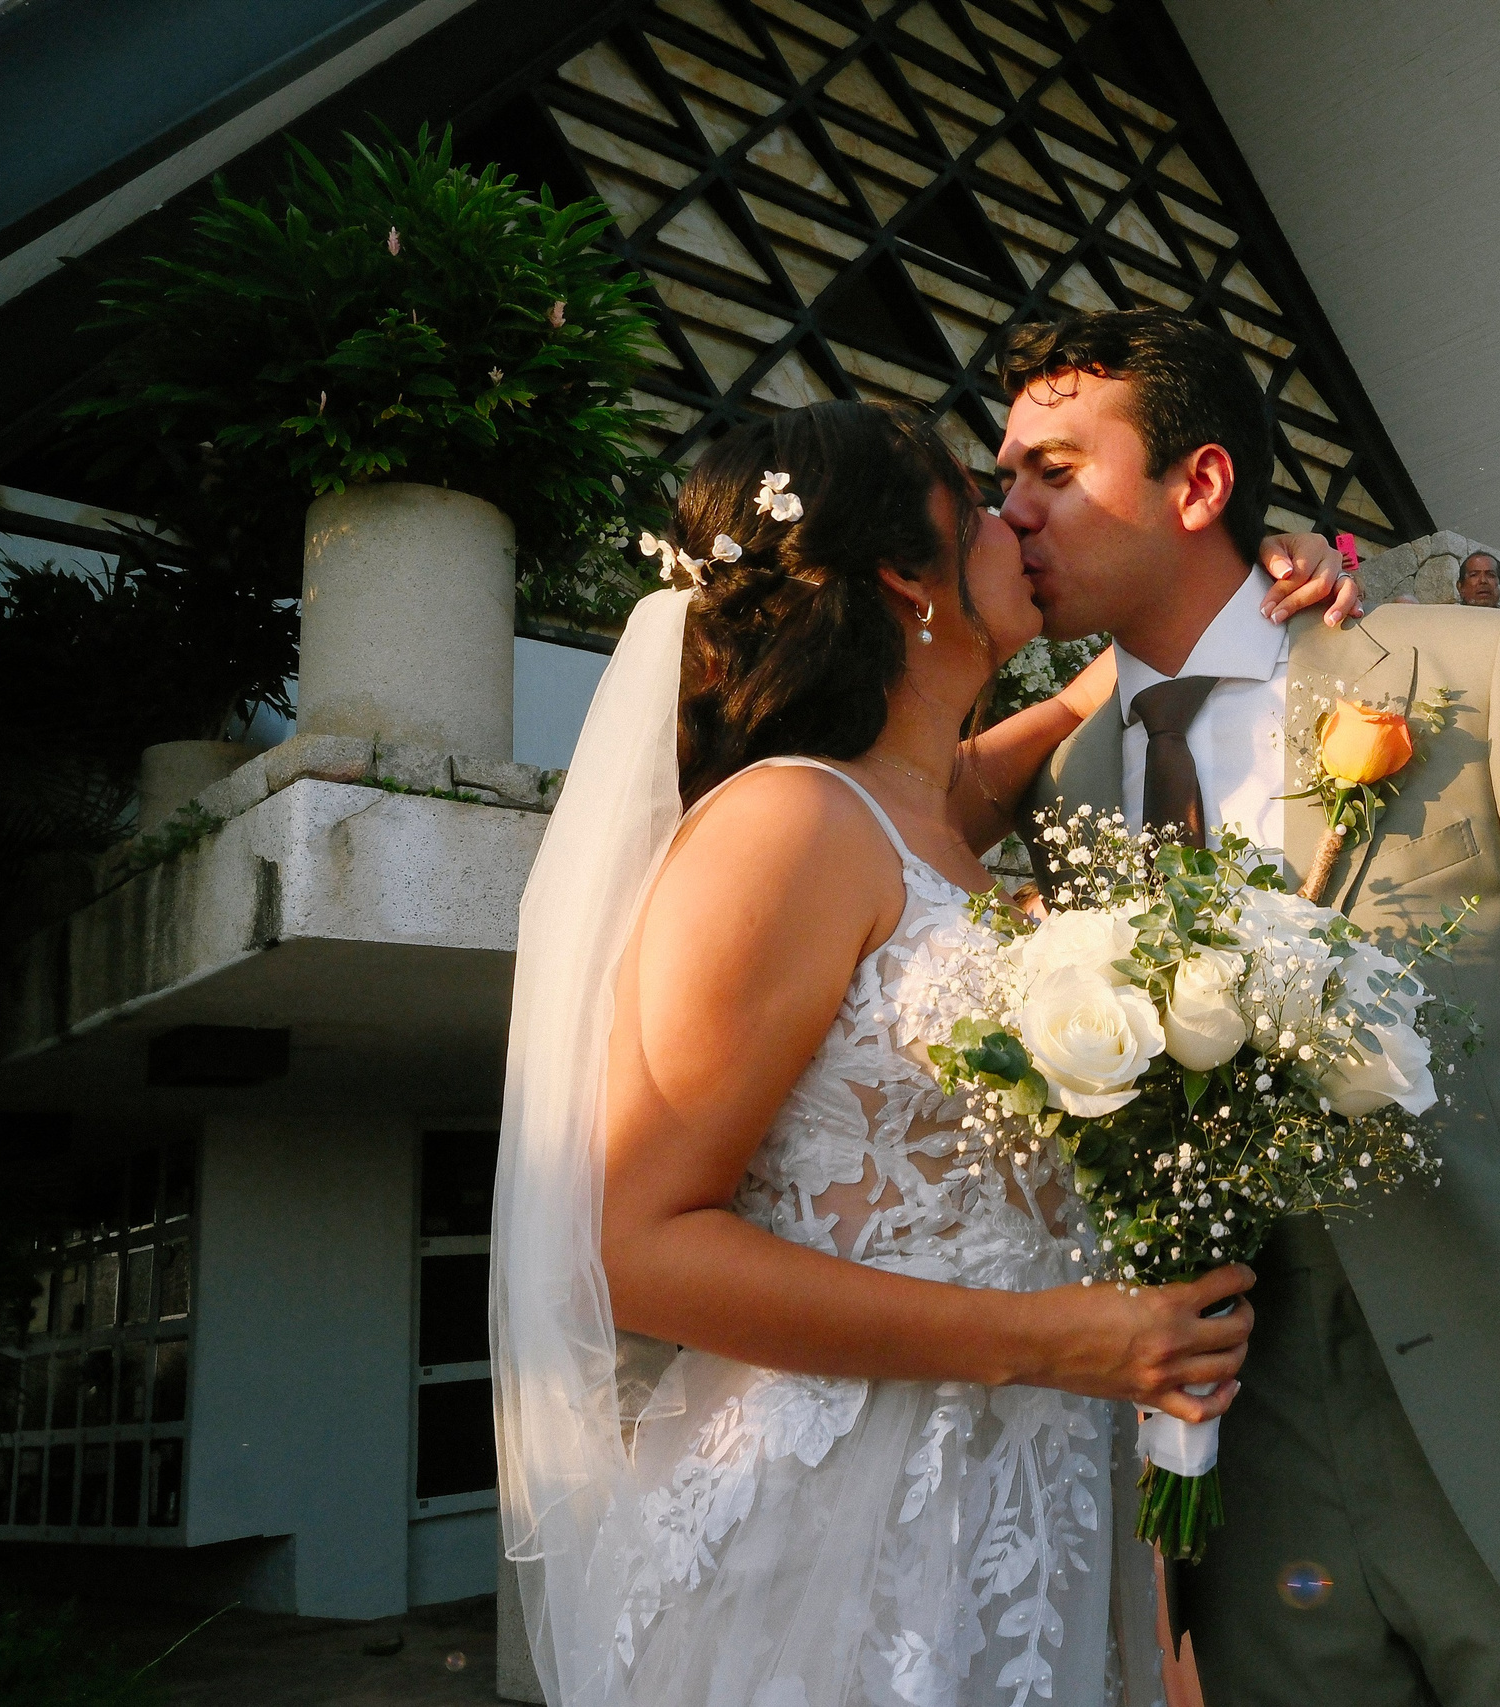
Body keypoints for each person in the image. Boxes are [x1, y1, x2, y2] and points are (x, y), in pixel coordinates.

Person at [490, 398, 1369, 1706]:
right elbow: (636, 1239)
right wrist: (1041, 1338)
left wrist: (1226, 604)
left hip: (1017, 1514)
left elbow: (974, 774)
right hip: (840, 1536)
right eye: (981, 492)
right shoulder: (785, 826)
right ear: (907, 572)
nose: (1022, 512)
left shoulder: (921, 808)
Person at [1004, 310, 1500, 1706]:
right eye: (1003, 471)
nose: (1011, 504)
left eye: (1056, 468)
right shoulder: (1071, 781)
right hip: (1258, 1500)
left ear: (1197, 486)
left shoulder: (1467, 676)